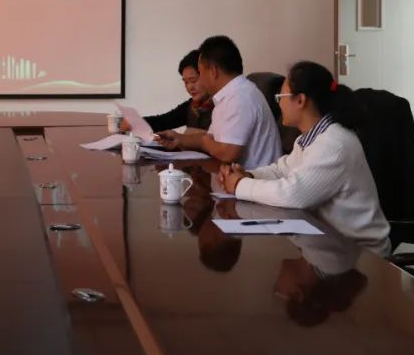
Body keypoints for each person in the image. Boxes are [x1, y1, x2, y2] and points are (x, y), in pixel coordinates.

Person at [218, 61, 391, 256]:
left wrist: (239, 184)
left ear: (300, 100)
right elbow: (281, 170)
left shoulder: (334, 144)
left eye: (280, 97)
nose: (278, 103)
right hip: (330, 246)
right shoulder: (311, 137)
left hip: (363, 257)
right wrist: (248, 175)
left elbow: (292, 194)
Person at [157, 35, 282, 170]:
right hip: (234, 178)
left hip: (254, 181)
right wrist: (178, 138)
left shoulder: (239, 97)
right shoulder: (229, 94)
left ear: (213, 71)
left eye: (201, 72)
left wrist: (206, 142)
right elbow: (210, 138)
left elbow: (227, 153)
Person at [123, 50, 213, 134]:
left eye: (193, 80)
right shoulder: (191, 107)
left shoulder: (219, 106)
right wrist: (135, 122)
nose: (190, 87)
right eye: (186, 82)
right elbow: (163, 121)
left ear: (208, 75)